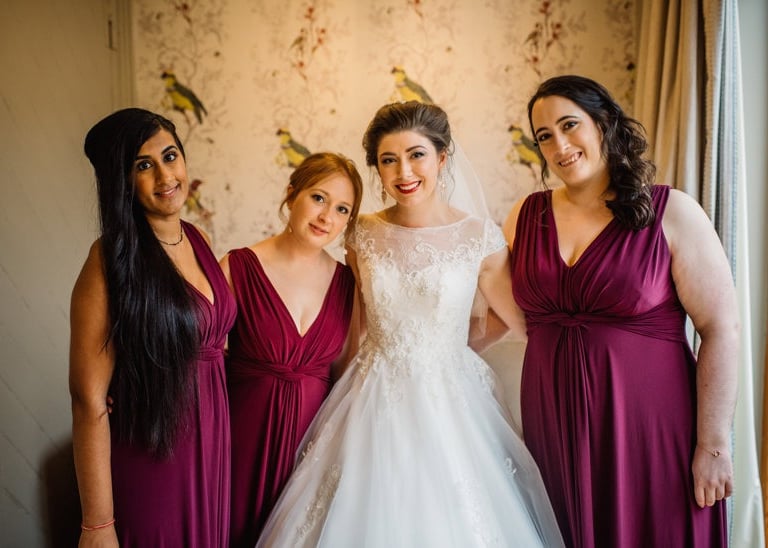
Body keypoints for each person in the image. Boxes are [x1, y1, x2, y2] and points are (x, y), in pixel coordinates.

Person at [256, 101, 564, 547]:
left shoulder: (480, 237)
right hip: (370, 393)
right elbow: (356, 324)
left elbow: (514, 319)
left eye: (416, 154)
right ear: (377, 169)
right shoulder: (361, 233)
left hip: (453, 397)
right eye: (388, 160)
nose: (404, 171)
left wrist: (447, 350)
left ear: (441, 157)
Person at [503, 75, 738, 547]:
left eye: (570, 125)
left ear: (605, 122)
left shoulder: (672, 211)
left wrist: (713, 443)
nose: (559, 145)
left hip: (652, 429)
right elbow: (498, 313)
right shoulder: (523, 217)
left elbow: (720, 329)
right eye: (544, 135)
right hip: (554, 428)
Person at [69, 108, 236, 547]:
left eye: (170, 156)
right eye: (144, 165)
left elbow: (208, 342)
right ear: (122, 180)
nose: (165, 175)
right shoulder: (109, 260)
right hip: (155, 454)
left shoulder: (197, 238)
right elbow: (88, 400)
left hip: (212, 446)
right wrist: (97, 525)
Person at [222, 152, 363, 547]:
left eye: (342, 209)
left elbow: (345, 372)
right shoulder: (237, 267)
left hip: (310, 449)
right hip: (239, 440)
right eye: (318, 198)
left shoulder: (347, 284)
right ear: (292, 193)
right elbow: (196, 355)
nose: (327, 217)